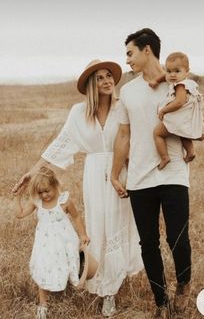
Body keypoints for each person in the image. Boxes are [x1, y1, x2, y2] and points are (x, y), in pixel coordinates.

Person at [12, 59, 143, 318]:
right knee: (97, 227)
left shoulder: (123, 108)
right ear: (91, 86)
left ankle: (111, 292)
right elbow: (58, 147)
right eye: (100, 78)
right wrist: (32, 172)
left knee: (117, 226)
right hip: (94, 175)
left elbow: (136, 141)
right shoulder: (78, 113)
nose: (107, 81)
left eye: (109, 76)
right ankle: (98, 280)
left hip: (121, 173)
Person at [111, 29, 192, 319]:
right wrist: (114, 173)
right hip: (139, 178)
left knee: (177, 236)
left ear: (148, 50)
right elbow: (123, 135)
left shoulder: (177, 83)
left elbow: (194, 116)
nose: (127, 60)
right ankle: (161, 301)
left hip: (173, 172)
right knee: (148, 242)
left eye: (130, 53)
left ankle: (183, 284)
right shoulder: (128, 91)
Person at [14, 166, 90, 319]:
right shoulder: (37, 202)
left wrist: (83, 234)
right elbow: (20, 214)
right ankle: (43, 305)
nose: (44, 195)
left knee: (67, 265)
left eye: (47, 191)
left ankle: (70, 292)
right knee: (44, 268)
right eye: (40, 192)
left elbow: (76, 217)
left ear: (55, 184)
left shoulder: (64, 201)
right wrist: (17, 196)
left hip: (65, 242)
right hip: (45, 245)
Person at [153, 52, 204, 169]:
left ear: (187, 71)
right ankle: (190, 152)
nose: (172, 75)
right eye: (169, 71)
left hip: (178, 118)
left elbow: (179, 102)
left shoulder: (180, 86)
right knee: (182, 133)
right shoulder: (187, 83)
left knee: (157, 133)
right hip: (184, 119)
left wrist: (163, 111)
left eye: (177, 71)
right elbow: (165, 76)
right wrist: (156, 81)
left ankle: (164, 157)